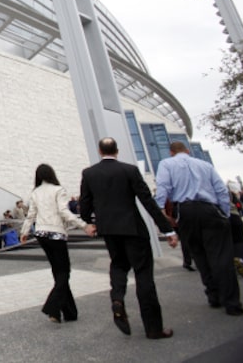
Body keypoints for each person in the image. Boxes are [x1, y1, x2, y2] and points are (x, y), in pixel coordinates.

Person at [80, 137, 178, 340]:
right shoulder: (129, 170)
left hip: (109, 230)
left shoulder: (89, 174)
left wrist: (90, 222)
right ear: (117, 151)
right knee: (143, 275)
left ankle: (117, 299)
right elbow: (147, 201)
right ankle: (153, 328)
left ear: (99, 151)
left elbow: (85, 204)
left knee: (118, 265)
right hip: (133, 229)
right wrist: (167, 230)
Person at [154, 141, 243, 316]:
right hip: (210, 210)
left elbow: (163, 187)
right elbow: (221, 190)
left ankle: (213, 295)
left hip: (186, 212)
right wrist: (224, 213)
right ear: (187, 151)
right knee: (221, 256)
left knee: (199, 254)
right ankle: (232, 302)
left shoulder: (166, 164)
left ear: (171, 152)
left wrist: (160, 212)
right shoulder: (205, 165)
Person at [21, 164, 95, 324]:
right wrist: (84, 225)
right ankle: (52, 306)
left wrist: (24, 232)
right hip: (56, 233)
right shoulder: (58, 190)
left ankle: (68, 312)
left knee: (58, 272)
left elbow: (31, 215)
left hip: (41, 233)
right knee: (64, 272)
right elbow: (64, 211)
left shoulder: (35, 192)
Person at [228, 183, 243, 279]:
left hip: (219, 218)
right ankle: (240, 259)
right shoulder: (228, 192)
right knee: (240, 240)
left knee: (227, 241)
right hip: (234, 216)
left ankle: (229, 264)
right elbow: (239, 206)